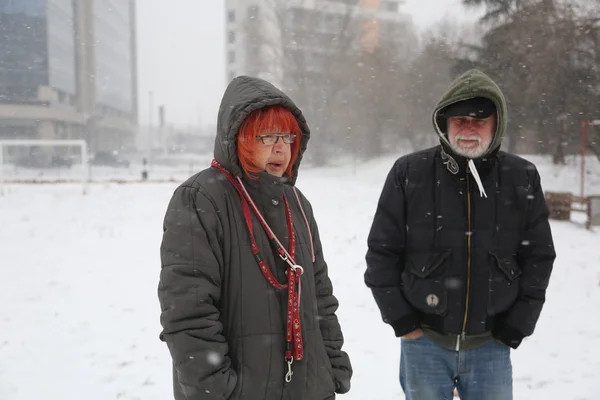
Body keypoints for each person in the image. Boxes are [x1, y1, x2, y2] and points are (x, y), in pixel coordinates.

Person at [364, 69, 556, 399]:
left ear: (497, 124)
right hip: (423, 343)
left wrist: (516, 326)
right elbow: (381, 253)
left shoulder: (521, 177)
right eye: (459, 120)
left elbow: (539, 257)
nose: (467, 129)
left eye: (478, 121)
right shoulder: (409, 173)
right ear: (444, 123)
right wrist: (403, 321)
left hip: (491, 346)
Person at [158, 75, 352, 400]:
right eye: (267, 136)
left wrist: (331, 366)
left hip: (309, 388)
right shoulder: (201, 198)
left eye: (287, 137)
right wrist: (218, 390)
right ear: (240, 138)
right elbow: (188, 312)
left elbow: (320, 294)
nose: (281, 147)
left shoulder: (297, 202)